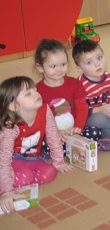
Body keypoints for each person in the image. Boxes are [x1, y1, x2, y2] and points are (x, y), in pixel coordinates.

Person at [0, 76, 74, 214]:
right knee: (26, 177)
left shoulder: (45, 110)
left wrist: (59, 161)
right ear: (13, 106)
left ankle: (21, 174)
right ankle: (6, 180)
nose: (36, 94)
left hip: (32, 157)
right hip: (11, 159)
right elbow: (4, 160)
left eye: (35, 90)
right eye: (28, 93)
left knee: (50, 173)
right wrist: (6, 191)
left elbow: (53, 136)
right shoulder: (10, 126)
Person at [32, 39, 91, 143]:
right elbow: (38, 119)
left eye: (63, 64)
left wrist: (78, 127)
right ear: (40, 67)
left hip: (74, 129)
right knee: (40, 141)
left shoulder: (75, 84)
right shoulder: (36, 91)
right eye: (53, 66)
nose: (59, 69)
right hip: (52, 133)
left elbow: (82, 108)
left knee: (93, 130)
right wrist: (55, 132)